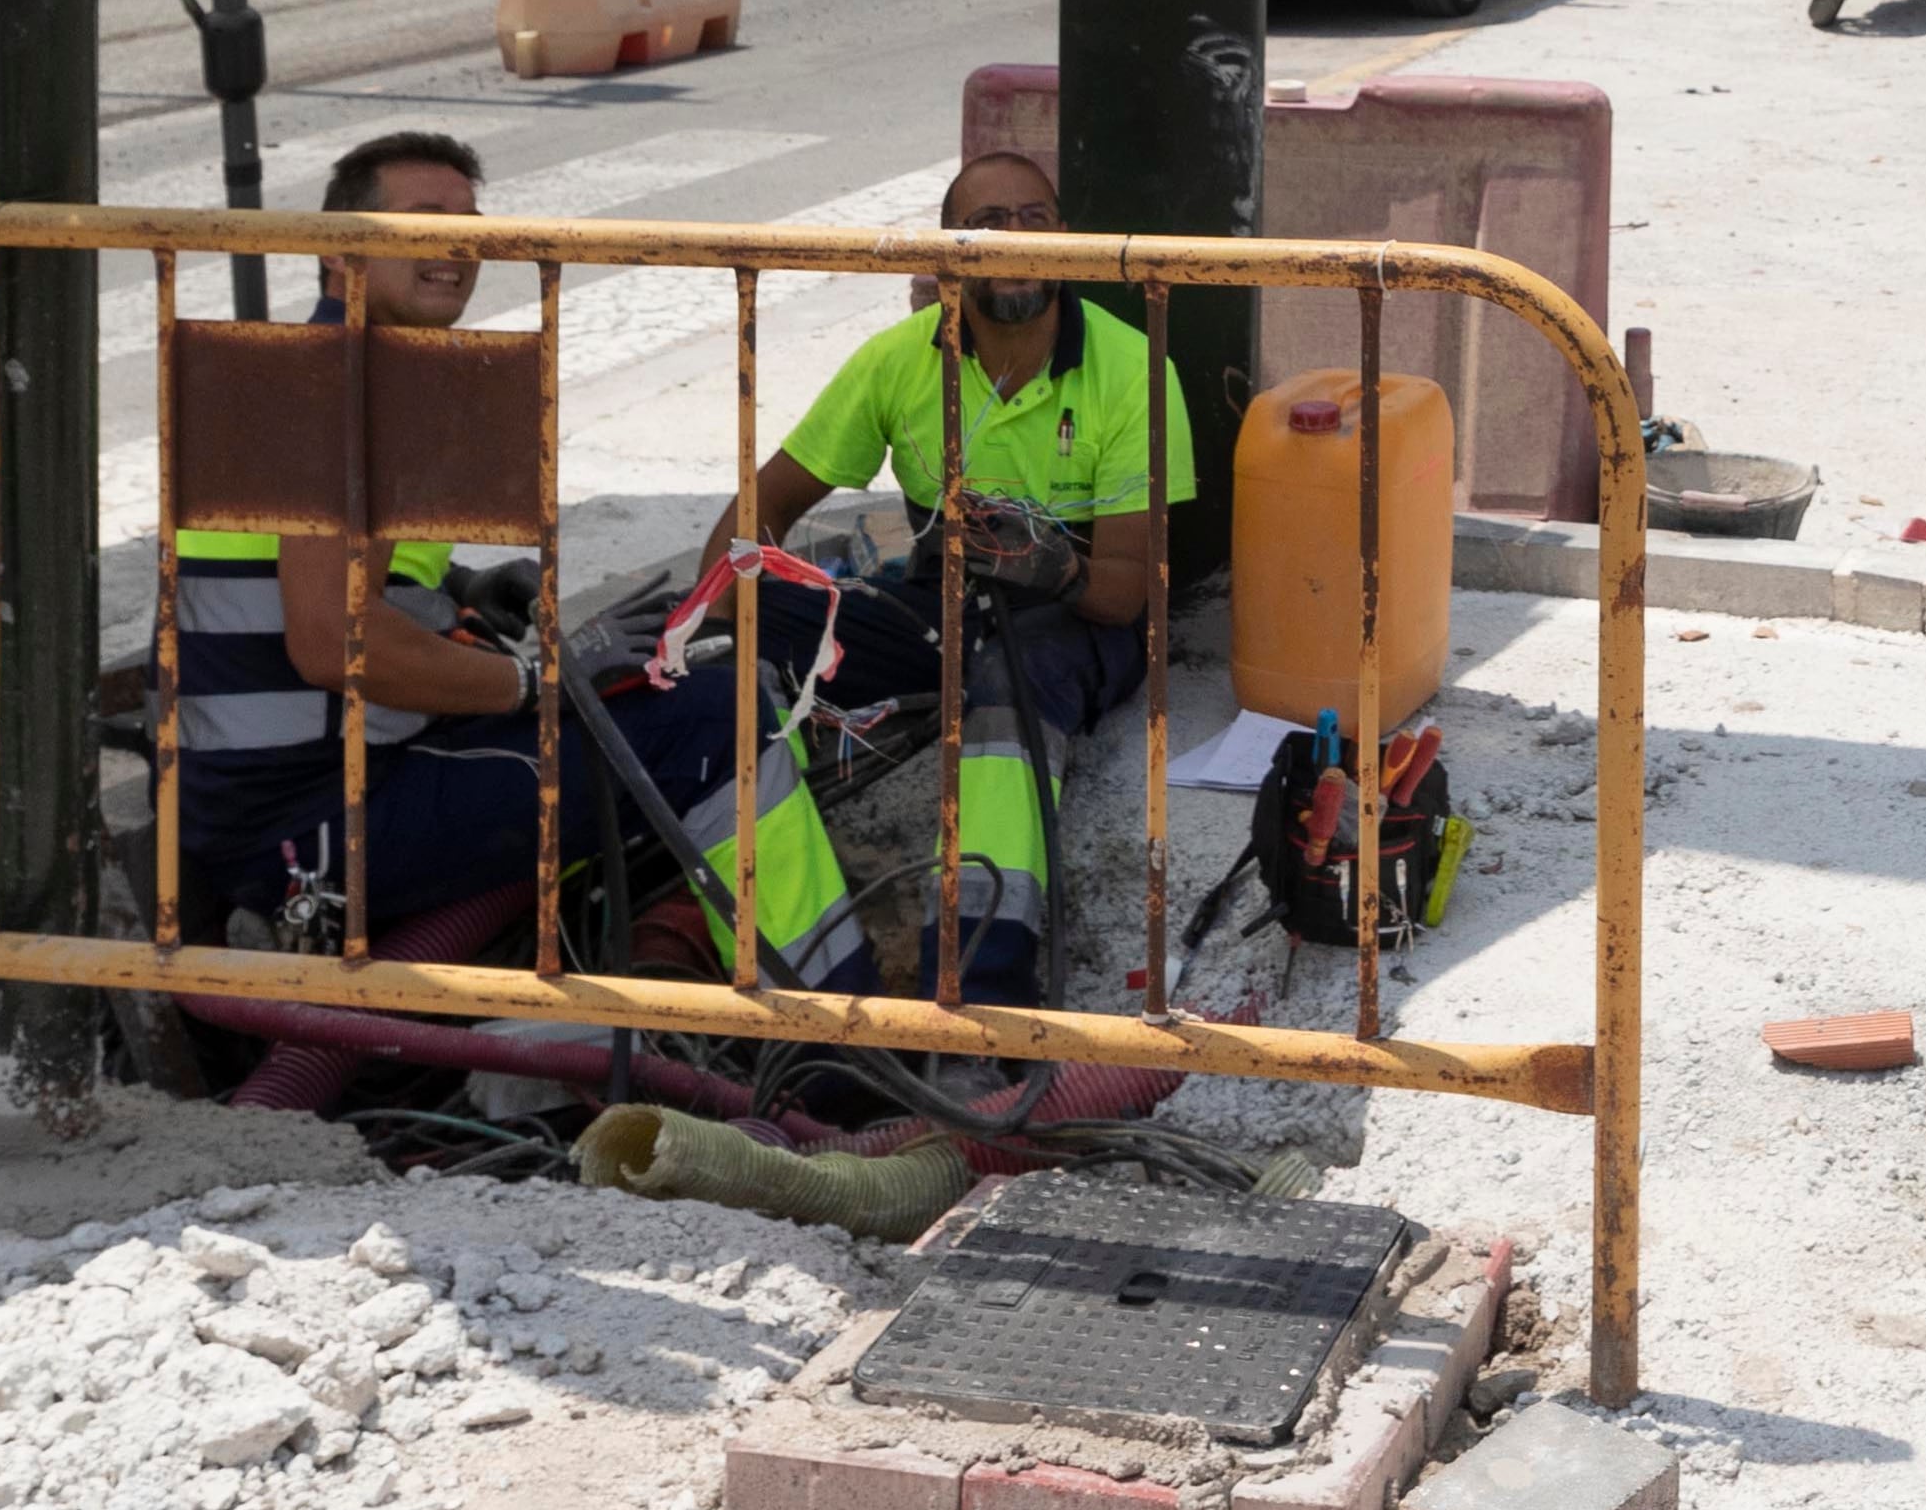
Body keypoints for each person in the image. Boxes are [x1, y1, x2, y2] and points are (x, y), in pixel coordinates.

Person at [170, 130, 755, 956]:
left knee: (657, 701)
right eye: (423, 217)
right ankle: (811, 1015)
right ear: (340, 253)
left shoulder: (330, 367)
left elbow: (309, 579)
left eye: (470, 220)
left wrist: (460, 592)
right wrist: (532, 682)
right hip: (312, 819)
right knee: (715, 718)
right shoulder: (342, 390)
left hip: (300, 792)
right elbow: (332, 639)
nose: (458, 241)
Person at [716, 146, 1194, 1009]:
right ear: (945, 255)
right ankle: (785, 987)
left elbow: (1128, 593)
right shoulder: (902, 359)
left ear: (1069, 238)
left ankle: (982, 997)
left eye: (1034, 219)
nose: (1012, 239)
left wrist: (1048, 564)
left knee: (1007, 684)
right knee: (737, 641)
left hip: (1076, 622)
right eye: (983, 225)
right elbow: (765, 507)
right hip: (939, 606)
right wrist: (727, 609)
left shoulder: (1132, 370)